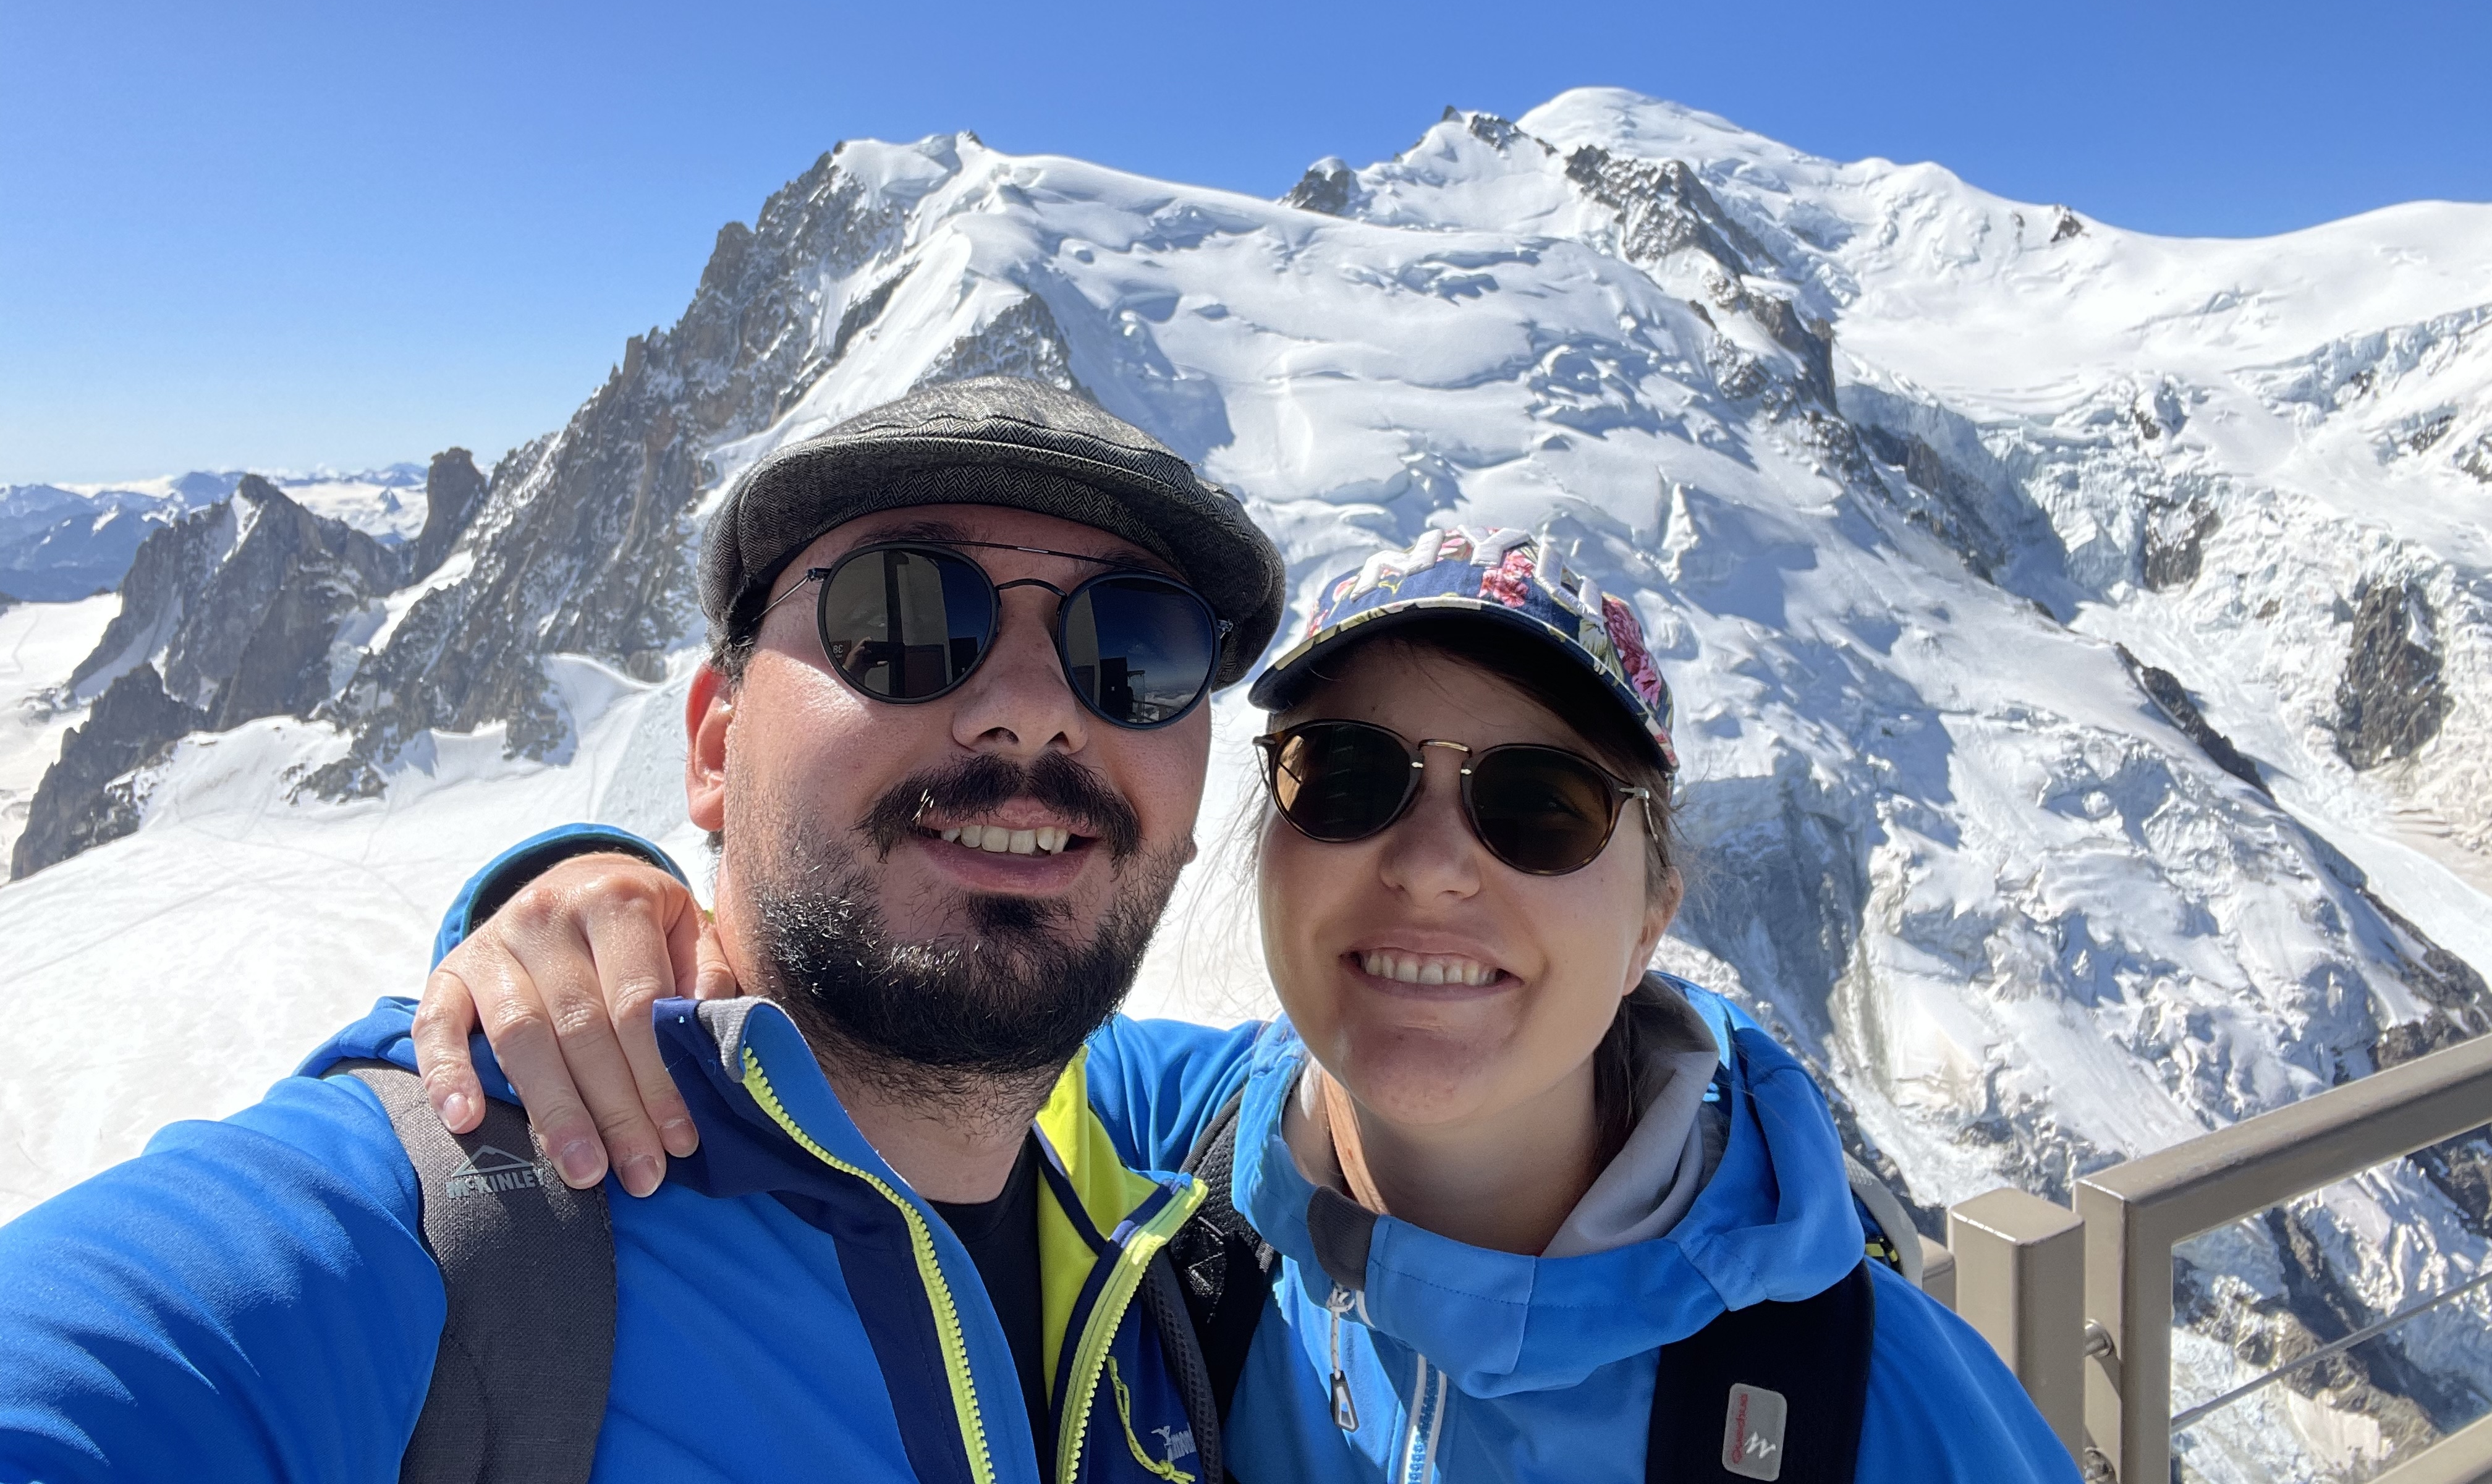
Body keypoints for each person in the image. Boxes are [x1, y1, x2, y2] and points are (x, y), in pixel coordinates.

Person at [415, 525, 2080, 1482]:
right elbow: (866, 1014)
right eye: (1348, 777)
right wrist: (591, 905)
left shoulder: (1875, 1403)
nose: (1432, 866)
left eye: (1538, 808)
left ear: (1655, 909)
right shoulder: (1138, 1147)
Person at [0, 376, 1291, 1484]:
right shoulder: (455, 1219)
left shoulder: (1147, 1152)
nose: (1031, 710)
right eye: (907, 618)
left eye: (1137, 648)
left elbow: (1412, 1061)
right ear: (715, 749)